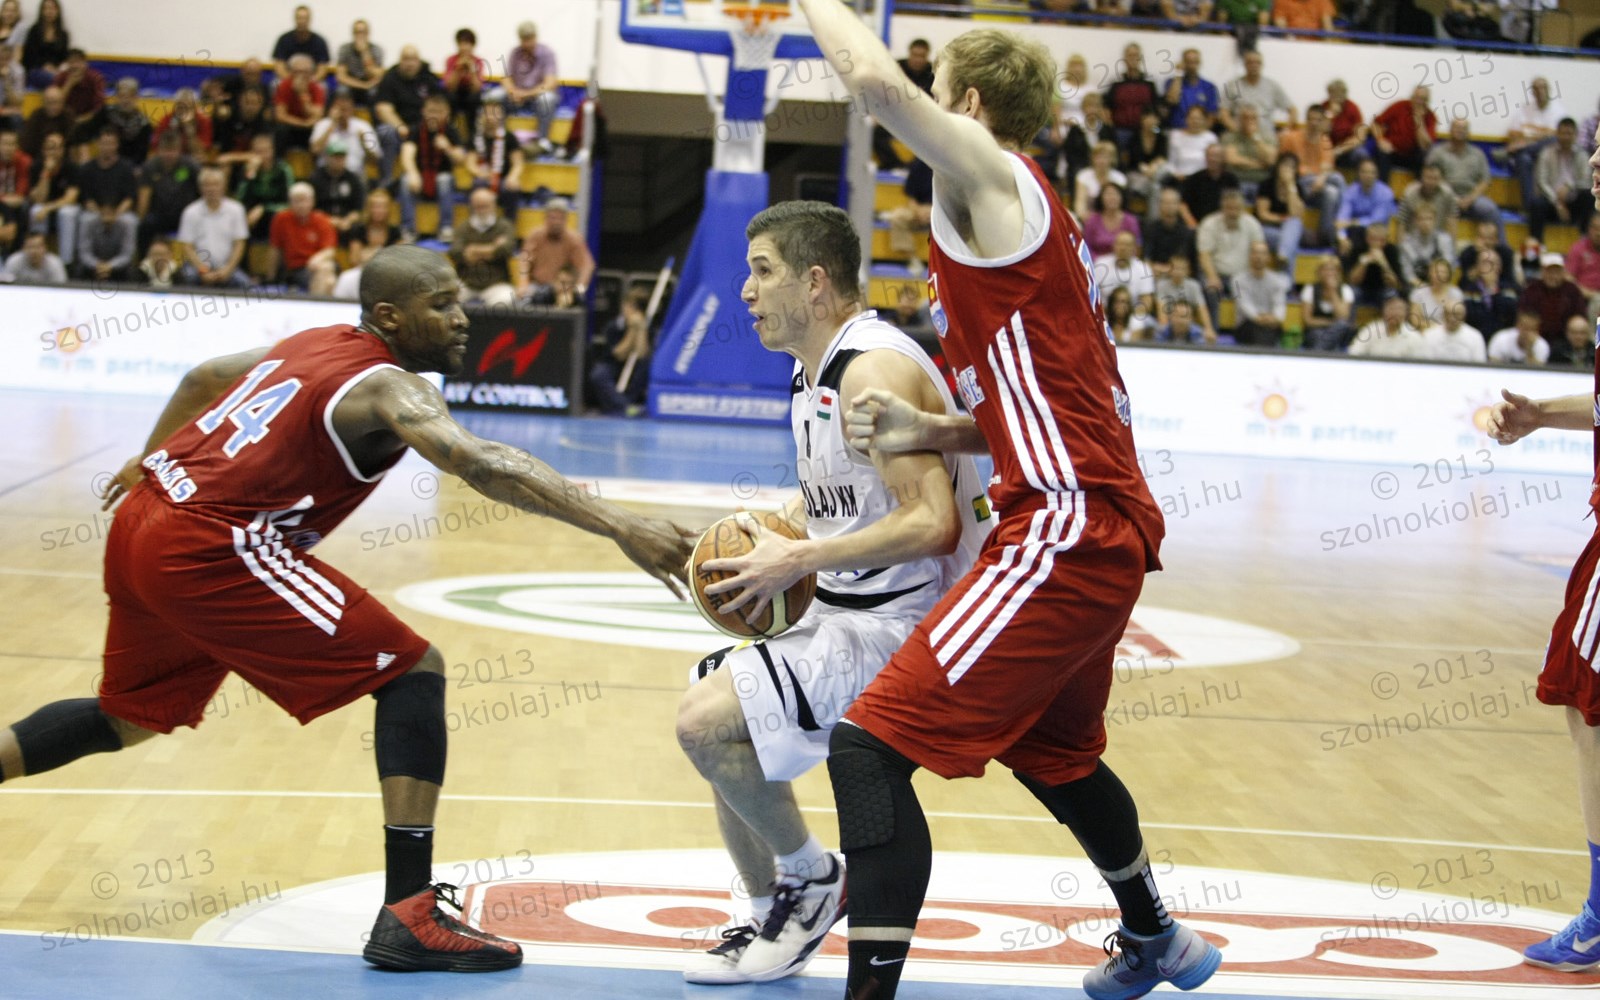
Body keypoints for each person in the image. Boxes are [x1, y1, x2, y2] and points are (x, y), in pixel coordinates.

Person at [0, 243, 696, 976]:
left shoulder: (314, 340)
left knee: (131, 717)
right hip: (210, 545)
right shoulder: (389, 386)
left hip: (148, 516)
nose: (464, 318)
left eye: (461, 301)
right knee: (412, 670)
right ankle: (410, 914)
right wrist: (622, 524)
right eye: (443, 305)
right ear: (390, 317)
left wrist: (151, 459)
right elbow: (481, 462)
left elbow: (201, 377)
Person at [789, 7, 1224, 999]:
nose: (926, 102)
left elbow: (874, 85)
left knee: (865, 748)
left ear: (970, 105)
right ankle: (1156, 937)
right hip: (1098, 519)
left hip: (1064, 525)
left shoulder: (992, 177)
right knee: (1054, 752)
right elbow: (1032, 409)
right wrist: (930, 430)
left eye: (938, 86)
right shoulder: (1018, 228)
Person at [680, 201, 988, 985]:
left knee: (707, 721)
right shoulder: (814, 369)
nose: (746, 291)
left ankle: (811, 883)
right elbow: (850, 501)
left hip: (905, 623)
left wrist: (801, 557)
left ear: (815, 283)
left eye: (763, 271)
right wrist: (771, 531)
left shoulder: (868, 374)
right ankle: (771, 912)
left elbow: (933, 522)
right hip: (853, 611)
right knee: (712, 691)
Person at [1197, 185, 1264, 331]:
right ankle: (1213, 332)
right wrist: (1212, 276)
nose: (1233, 212)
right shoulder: (1209, 224)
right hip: (1216, 273)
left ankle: (1245, 333)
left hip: (1242, 276)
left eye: (1236, 208)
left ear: (1243, 208)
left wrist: (1251, 276)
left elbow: (1258, 252)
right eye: (1229, 208)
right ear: (1222, 208)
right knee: (1211, 290)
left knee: (1251, 290)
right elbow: (1204, 255)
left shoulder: (1252, 224)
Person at [1427, 118, 1503, 241]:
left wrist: (1471, 198)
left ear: (1468, 132)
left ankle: (1501, 248)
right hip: (1444, 195)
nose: (1460, 131)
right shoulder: (1438, 152)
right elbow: (1431, 176)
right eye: (1457, 128)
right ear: (1450, 130)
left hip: (1471, 198)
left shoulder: (1478, 154)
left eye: (1463, 129)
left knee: (1490, 209)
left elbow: (1485, 180)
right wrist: (1453, 197)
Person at [176, 166, 251, 289]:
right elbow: (187, 246)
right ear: (200, 188)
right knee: (185, 279)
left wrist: (227, 270)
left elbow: (239, 244)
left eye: (215, 184)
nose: (211, 188)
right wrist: (202, 270)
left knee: (245, 284)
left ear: (224, 186)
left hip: (227, 267)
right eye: (207, 185)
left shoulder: (236, 210)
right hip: (197, 267)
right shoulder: (190, 212)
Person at [449, 186, 516, 309]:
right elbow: (456, 253)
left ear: (493, 205)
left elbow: (507, 250)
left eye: (485, 206)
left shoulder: (504, 226)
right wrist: (493, 247)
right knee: (446, 298)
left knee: (506, 299)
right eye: (478, 207)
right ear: (472, 207)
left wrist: (473, 250)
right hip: (466, 283)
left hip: (496, 284)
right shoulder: (463, 227)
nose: (481, 210)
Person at [588, 288, 651, 416]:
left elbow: (642, 353)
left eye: (636, 308)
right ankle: (626, 407)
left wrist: (640, 329)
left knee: (647, 366)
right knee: (598, 374)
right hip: (613, 363)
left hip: (636, 366)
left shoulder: (646, 326)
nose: (630, 310)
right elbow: (619, 354)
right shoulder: (614, 326)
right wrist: (632, 330)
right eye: (630, 306)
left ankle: (628, 404)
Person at [135, 131, 199, 255]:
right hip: (159, 215)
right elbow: (144, 197)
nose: (169, 154)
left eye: (173, 150)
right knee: (145, 226)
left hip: (185, 216)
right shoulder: (150, 167)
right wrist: (140, 218)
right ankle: (144, 261)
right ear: (159, 150)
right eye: (166, 150)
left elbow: (202, 188)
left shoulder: (190, 166)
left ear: (180, 150)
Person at [518, 197, 593, 302]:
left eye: (560, 218)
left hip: (563, 289)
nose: (556, 222)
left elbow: (587, 266)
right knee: (523, 301)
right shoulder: (535, 236)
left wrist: (579, 288)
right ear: (545, 218)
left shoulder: (574, 240)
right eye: (553, 218)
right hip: (537, 287)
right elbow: (524, 261)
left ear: (566, 220)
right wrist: (523, 283)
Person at [1530, 118, 1592, 243]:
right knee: (1536, 203)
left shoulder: (1582, 155)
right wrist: (1558, 204)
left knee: (1588, 196)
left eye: (1569, 133)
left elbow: (1586, 181)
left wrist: (1570, 186)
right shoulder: (1546, 153)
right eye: (1563, 133)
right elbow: (1541, 182)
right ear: (1557, 134)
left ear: (1576, 135)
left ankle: (1585, 241)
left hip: (1574, 202)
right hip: (1551, 201)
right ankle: (1537, 243)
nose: (1566, 137)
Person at [873, 40, 933, 169]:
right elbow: (882, 92)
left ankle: (915, 168)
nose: (918, 60)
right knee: (875, 132)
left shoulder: (933, 73)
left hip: (921, 120)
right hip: (895, 116)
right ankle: (894, 164)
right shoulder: (896, 68)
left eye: (922, 56)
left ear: (927, 56)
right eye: (915, 55)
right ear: (909, 53)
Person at [269, 181, 337, 294]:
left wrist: (317, 259)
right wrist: (271, 277)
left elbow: (330, 250)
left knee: (327, 273)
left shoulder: (322, 220)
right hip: (296, 270)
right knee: (329, 281)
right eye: (296, 201)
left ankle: (315, 301)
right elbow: (275, 249)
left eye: (304, 200)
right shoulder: (281, 219)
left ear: (312, 201)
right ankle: (318, 302)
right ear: (290, 203)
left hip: (317, 265)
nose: (301, 205)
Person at [504, 21, 561, 155]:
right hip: (518, 96)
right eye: (524, 39)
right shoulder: (515, 53)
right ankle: (500, 138)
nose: (527, 43)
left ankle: (543, 140)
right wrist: (513, 92)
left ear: (535, 37)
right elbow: (506, 78)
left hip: (536, 96)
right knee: (494, 97)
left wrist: (526, 94)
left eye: (530, 38)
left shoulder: (547, 53)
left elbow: (550, 83)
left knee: (547, 98)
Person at [468, 93, 526, 221]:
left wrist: (513, 177)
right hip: (484, 178)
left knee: (512, 187)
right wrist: (480, 173)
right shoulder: (476, 137)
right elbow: (470, 163)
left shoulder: (509, 137)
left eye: (495, 113)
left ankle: (509, 225)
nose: (491, 117)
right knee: (478, 184)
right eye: (487, 113)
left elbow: (518, 163)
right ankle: (476, 224)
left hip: (504, 179)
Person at [1520, 253, 1588, 361]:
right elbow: (1525, 315)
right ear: (1542, 272)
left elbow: (1580, 315)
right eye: (1549, 272)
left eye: (1557, 272)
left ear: (1563, 273)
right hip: (1537, 337)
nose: (1553, 275)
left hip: (1566, 340)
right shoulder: (1532, 290)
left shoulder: (1572, 290)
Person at [235, 132, 296, 245]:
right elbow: (240, 199)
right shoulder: (247, 170)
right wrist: (250, 175)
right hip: (253, 216)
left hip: (276, 213)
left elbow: (290, 201)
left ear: (272, 151)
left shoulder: (283, 169)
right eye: (258, 152)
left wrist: (264, 208)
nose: (262, 156)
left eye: (265, 151)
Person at [24, 131, 76, 264]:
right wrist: (46, 173)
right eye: (50, 148)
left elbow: (70, 198)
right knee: (36, 210)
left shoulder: (71, 167)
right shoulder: (36, 166)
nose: (54, 152)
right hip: (45, 206)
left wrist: (47, 208)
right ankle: (38, 256)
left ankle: (66, 262)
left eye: (57, 148)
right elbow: (39, 199)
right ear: (44, 150)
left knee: (66, 213)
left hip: (65, 207)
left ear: (63, 150)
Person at [1369, 86, 1437, 182]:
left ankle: (1418, 189)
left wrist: (1419, 120)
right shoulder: (1400, 106)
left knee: (1424, 156)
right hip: (1392, 151)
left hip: (1412, 155)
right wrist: (1381, 140)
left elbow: (1425, 145)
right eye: (1416, 97)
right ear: (1411, 97)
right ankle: (1383, 188)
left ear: (1427, 101)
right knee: (1382, 152)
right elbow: (1375, 123)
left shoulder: (1430, 117)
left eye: (1422, 99)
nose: (1418, 102)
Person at [311, 89, 381, 177]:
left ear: (352, 109)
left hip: (355, 177)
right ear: (332, 108)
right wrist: (331, 126)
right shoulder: (323, 125)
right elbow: (315, 150)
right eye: (340, 109)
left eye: (346, 109)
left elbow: (375, 159)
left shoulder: (364, 127)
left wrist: (364, 144)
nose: (343, 113)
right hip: (326, 176)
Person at [1334, 158, 1395, 256]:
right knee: (1340, 236)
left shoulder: (1385, 193)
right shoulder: (1351, 191)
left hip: (1378, 233)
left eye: (1372, 172)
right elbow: (1341, 220)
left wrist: (1352, 222)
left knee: (1359, 233)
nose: (1368, 176)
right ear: (1359, 174)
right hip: (1354, 233)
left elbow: (1375, 221)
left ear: (1377, 175)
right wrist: (1342, 238)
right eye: (1364, 172)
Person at [1255, 152, 1302, 275]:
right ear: (1278, 166)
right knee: (1290, 243)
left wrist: (1290, 186)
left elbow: (1296, 214)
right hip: (1267, 228)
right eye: (1285, 165)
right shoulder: (1267, 184)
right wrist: (1282, 219)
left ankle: (1283, 255)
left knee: (1294, 223)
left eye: (1292, 167)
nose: (1288, 169)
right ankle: (1286, 282)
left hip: (1288, 230)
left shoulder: (1297, 187)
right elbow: (1263, 214)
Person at [309, 139, 366, 236]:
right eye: (335, 157)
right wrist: (327, 219)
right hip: (321, 221)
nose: (338, 160)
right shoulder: (316, 178)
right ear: (327, 157)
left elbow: (358, 208)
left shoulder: (353, 179)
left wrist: (347, 221)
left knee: (358, 230)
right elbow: (311, 207)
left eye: (341, 157)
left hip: (347, 223)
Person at [1344, 221, 1406, 308]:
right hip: (1361, 288)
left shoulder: (1391, 250)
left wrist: (1384, 264)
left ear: (1386, 240)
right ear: (1367, 238)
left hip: (1383, 289)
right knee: (1350, 293)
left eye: (1381, 240)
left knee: (1392, 294)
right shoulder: (1358, 249)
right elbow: (1352, 281)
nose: (1377, 243)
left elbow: (1396, 284)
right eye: (1373, 239)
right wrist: (1363, 263)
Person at [442, 28, 487, 144]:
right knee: (449, 97)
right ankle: (449, 135)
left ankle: (471, 139)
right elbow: (450, 87)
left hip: (470, 96)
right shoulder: (451, 60)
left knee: (475, 98)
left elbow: (477, 88)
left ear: (473, 45)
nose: (465, 47)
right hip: (455, 94)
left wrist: (472, 70)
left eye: (468, 43)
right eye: (462, 43)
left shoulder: (478, 61)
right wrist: (457, 69)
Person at [1301, 255, 1355, 351]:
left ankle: (1318, 353)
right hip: (1316, 331)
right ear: (1319, 272)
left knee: (1342, 326)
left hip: (1340, 332)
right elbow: (1308, 320)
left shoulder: (1346, 290)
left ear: (1338, 272)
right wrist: (1331, 323)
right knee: (1318, 335)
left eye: (1333, 270)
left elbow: (1343, 317)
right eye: (1325, 269)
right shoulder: (1310, 289)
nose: (1329, 273)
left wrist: (1333, 292)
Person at [1349, 291, 1425, 359]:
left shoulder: (1414, 337)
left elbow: (1419, 364)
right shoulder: (1371, 330)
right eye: (1391, 309)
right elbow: (1354, 352)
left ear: (1406, 314)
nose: (1394, 313)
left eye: (1399, 309)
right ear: (1384, 311)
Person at [273, 53, 325, 152]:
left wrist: (302, 95)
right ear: (291, 72)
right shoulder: (284, 86)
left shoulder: (316, 88)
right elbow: (280, 115)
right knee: (280, 130)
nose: (302, 76)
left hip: (308, 127)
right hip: (291, 126)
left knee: (320, 130)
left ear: (311, 73)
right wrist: (302, 123)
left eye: (306, 72)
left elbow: (318, 114)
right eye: (297, 72)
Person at [272, 4, 331, 81]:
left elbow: (322, 70)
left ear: (310, 20)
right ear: (295, 19)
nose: (302, 21)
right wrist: (291, 82)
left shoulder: (319, 42)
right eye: (299, 18)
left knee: (323, 86)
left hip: (312, 81)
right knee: (275, 83)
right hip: (288, 80)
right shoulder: (284, 40)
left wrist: (309, 83)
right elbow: (279, 67)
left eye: (305, 18)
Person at [334, 19, 384, 108]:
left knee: (375, 92)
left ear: (368, 33)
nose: (360, 35)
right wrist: (363, 85)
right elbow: (341, 77)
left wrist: (365, 53)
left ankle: (374, 117)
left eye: (363, 32)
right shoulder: (345, 49)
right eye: (357, 32)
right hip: (351, 84)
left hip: (369, 84)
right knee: (342, 90)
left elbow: (378, 75)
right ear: (353, 34)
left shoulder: (376, 49)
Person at [1081, 182, 1138, 259]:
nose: (1112, 198)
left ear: (1121, 197)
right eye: (1108, 194)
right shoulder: (1092, 220)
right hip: (1097, 262)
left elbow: (1136, 247)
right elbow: (1086, 247)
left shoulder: (1131, 221)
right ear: (1101, 198)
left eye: (1115, 194)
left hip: (1124, 262)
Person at [1420, 300, 1486, 363]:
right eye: (1448, 314)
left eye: (1457, 314)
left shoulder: (1475, 337)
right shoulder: (1429, 335)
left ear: (1464, 315)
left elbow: (1479, 365)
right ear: (1443, 315)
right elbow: (1426, 364)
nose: (1452, 318)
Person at [20, 0, 66, 90]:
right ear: (41, 11)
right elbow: (28, 57)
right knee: (56, 80)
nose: (49, 12)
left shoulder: (63, 34)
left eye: (52, 8)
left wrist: (56, 69)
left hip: (56, 71)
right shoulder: (34, 31)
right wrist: (44, 66)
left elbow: (64, 58)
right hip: (36, 70)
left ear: (58, 11)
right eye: (46, 8)